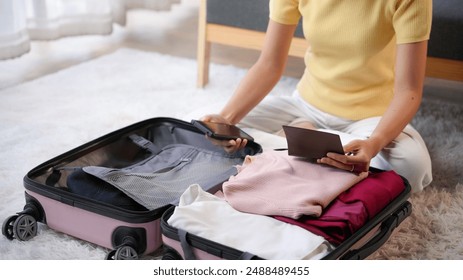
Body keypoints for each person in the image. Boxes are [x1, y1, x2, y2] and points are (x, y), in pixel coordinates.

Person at [201, 0, 433, 193]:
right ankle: (315, 144)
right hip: (305, 104)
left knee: (413, 167)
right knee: (205, 128)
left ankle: (301, 141)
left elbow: (409, 91)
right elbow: (269, 65)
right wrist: (227, 120)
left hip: (372, 118)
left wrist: (374, 144)